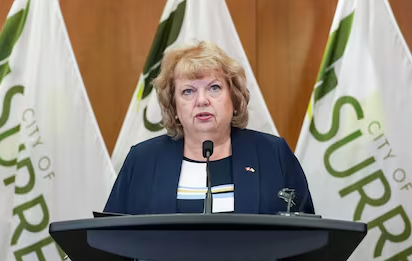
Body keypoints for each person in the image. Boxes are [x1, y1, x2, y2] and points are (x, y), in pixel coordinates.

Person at [104, 41, 314, 215]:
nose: (202, 100)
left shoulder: (273, 155)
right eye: (188, 91)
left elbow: (307, 235)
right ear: (173, 106)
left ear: (234, 98)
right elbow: (111, 238)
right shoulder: (143, 161)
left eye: (214, 88)